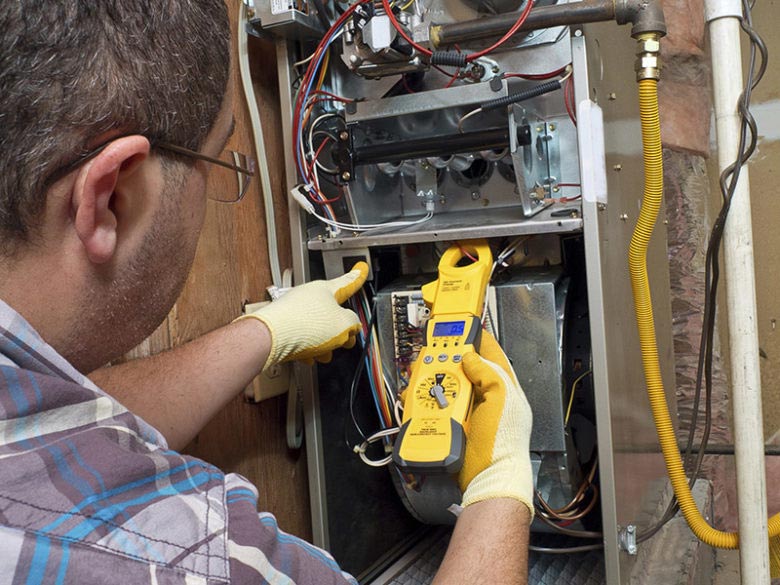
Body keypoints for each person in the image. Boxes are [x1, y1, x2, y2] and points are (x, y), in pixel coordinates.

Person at [0, 2, 533, 583]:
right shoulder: (182, 557)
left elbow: (72, 427)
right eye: (216, 160)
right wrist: (502, 483)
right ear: (114, 198)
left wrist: (267, 333)